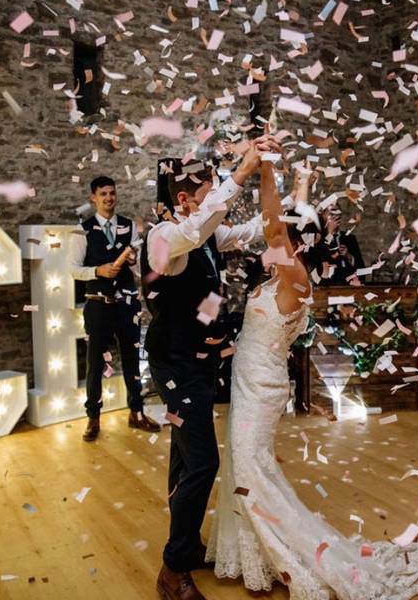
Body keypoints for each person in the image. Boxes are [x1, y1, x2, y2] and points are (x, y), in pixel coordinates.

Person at [208, 153, 418, 600]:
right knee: (246, 467)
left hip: (261, 389)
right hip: (249, 382)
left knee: (252, 469)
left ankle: (291, 556)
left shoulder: (294, 278)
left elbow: (274, 222)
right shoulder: (278, 275)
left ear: (290, 242)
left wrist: (264, 170)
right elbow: (279, 224)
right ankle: (250, 552)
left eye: (275, 236)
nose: (266, 237)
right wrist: (298, 187)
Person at [141, 135, 280, 600]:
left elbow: (242, 234)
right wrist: (240, 172)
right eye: (209, 186)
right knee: (204, 462)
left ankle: (185, 543)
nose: (217, 190)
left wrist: (283, 198)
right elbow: (198, 231)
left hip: (198, 359)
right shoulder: (165, 237)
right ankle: (172, 567)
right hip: (174, 361)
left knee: (184, 456)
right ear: (184, 198)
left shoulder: (203, 237)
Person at [68, 175, 160, 442]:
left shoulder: (128, 226)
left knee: (133, 360)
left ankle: (137, 413)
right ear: (93, 198)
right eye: (103, 194)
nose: (109, 198)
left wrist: (134, 264)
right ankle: (93, 418)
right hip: (98, 305)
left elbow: (135, 267)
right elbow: (73, 269)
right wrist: (98, 270)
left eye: (112, 193)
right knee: (95, 363)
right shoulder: (82, 230)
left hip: (127, 305)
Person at [316, 204, 365, 285]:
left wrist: (349, 256)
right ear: (323, 216)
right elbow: (320, 263)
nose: (335, 217)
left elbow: (361, 267)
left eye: (337, 214)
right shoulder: (318, 238)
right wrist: (329, 232)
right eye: (331, 214)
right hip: (327, 287)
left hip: (349, 286)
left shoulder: (349, 238)